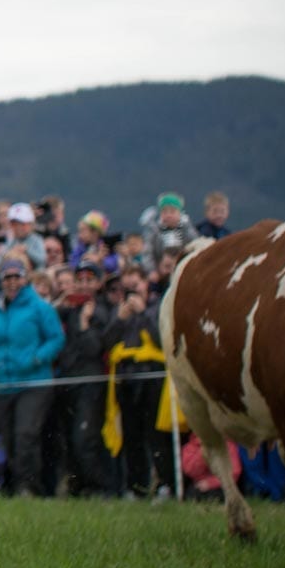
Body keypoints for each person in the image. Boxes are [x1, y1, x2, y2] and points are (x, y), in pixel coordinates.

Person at [0, 256, 64, 496]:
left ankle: (29, 486)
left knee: (26, 434)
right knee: (9, 438)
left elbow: (56, 338)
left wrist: (37, 358)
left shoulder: (39, 307)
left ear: (25, 278)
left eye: (17, 277)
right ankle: (17, 484)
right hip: (1, 383)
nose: (12, 282)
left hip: (34, 381)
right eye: (7, 277)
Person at [102, 270, 173, 498]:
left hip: (152, 377)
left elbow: (162, 340)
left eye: (137, 286)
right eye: (128, 288)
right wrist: (120, 320)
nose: (133, 293)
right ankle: (136, 486)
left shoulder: (157, 309)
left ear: (146, 286)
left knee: (157, 435)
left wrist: (143, 313)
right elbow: (106, 343)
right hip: (126, 378)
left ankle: (165, 483)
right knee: (131, 436)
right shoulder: (119, 311)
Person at [54, 262, 118, 496]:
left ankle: (102, 486)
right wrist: (61, 303)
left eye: (89, 280)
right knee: (69, 439)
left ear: (99, 283)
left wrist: (83, 324)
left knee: (85, 438)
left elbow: (94, 348)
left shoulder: (102, 310)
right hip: (68, 380)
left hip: (91, 382)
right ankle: (79, 485)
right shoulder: (69, 307)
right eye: (79, 279)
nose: (83, 284)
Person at [144, 193, 196, 265]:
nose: (168, 215)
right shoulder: (154, 231)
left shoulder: (187, 230)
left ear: (179, 213)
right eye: (164, 211)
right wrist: (153, 271)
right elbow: (147, 252)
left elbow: (194, 247)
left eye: (172, 211)